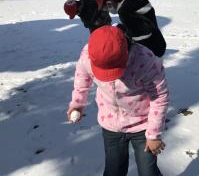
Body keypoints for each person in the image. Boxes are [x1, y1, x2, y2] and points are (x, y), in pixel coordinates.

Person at [67, 25, 169, 176]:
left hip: (143, 125)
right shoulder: (88, 55)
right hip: (111, 124)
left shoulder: (146, 61)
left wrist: (153, 135)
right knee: (114, 171)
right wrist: (78, 103)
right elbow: (82, 78)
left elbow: (159, 96)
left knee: (148, 171)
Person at [96, 0, 166, 57]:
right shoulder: (131, 1)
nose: (108, 11)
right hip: (158, 42)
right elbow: (139, 23)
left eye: (105, 8)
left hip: (151, 52)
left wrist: (125, 39)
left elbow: (142, 36)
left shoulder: (124, 12)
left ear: (109, 3)